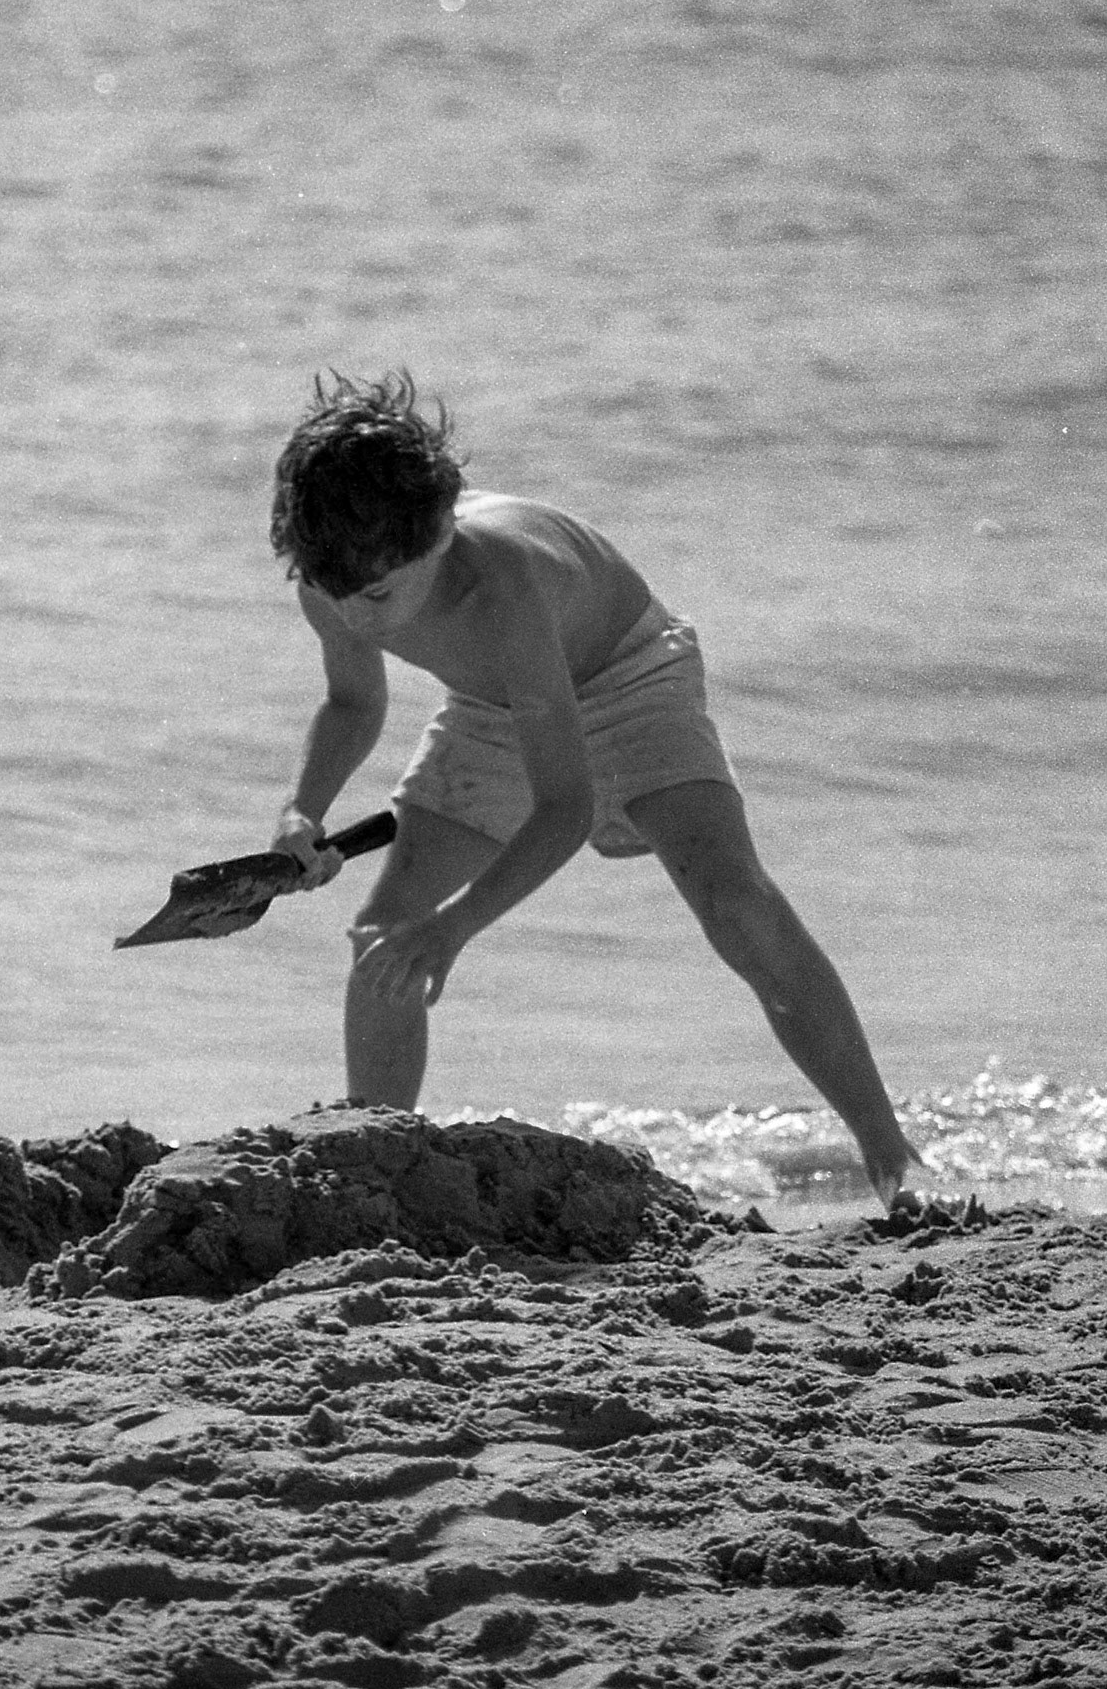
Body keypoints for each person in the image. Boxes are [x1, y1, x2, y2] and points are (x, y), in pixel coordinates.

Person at [268, 370, 920, 1208]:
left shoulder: (502, 585)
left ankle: (888, 1153)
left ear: (434, 539)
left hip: (629, 673)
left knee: (732, 899)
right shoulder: (335, 575)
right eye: (335, 594)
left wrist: (456, 927)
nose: (357, 617)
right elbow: (354, 701)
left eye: (378, 596)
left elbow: (563, 810)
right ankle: (375, 1171)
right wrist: (301, 811)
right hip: (497, 702)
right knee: (382, 936)